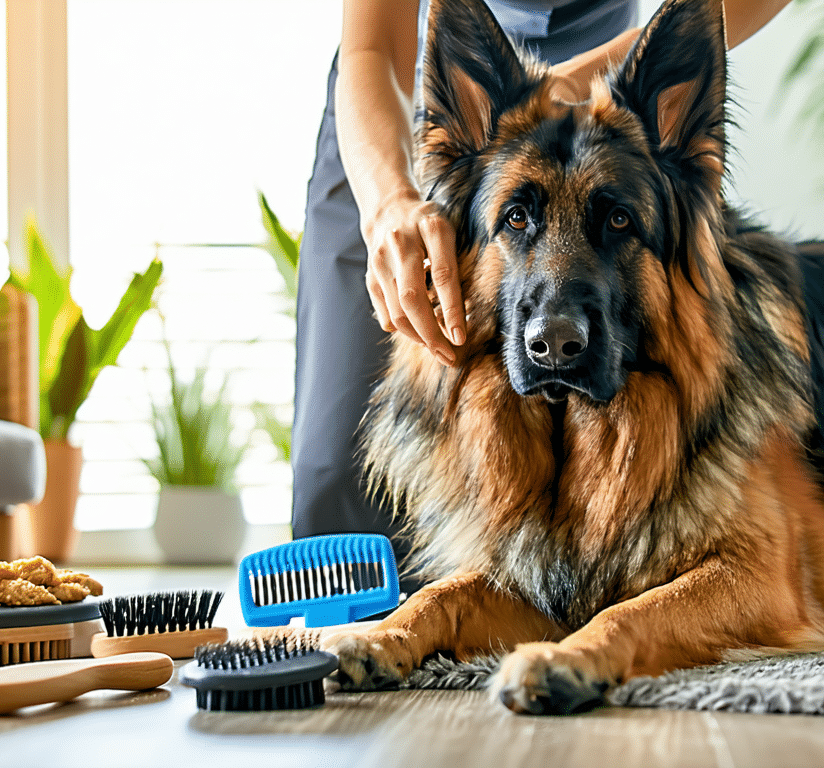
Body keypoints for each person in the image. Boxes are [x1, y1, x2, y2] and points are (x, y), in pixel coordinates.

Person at [292, 0, 791, 593]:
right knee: (339, 487)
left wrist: (586, 79)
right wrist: (386, 204)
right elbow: (375, 48)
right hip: (417, 94)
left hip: (604, 68)